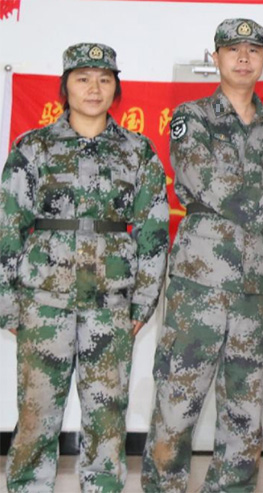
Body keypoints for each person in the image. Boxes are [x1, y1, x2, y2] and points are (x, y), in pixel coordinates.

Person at [141, 18, 263, 492]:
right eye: (233, 49)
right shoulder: (192, 117)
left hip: (255, 291)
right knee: (177, 403)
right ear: (216, 57)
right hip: (199, 287)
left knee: (245, 409)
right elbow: (206, 183)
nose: (244, 58)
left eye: (253, 50)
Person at [1, 43, 169, 492]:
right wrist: (7, 302)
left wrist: (142, 304)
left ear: (116, 88)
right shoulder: (33, 147)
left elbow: (153, 231)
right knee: (37, 412)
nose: (94, 88)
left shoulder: (137, 150)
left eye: (104, 79)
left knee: (107, 414)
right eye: (83, 78)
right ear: (65, 87)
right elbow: (7, 224)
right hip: (43, 302)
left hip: (111, 304)